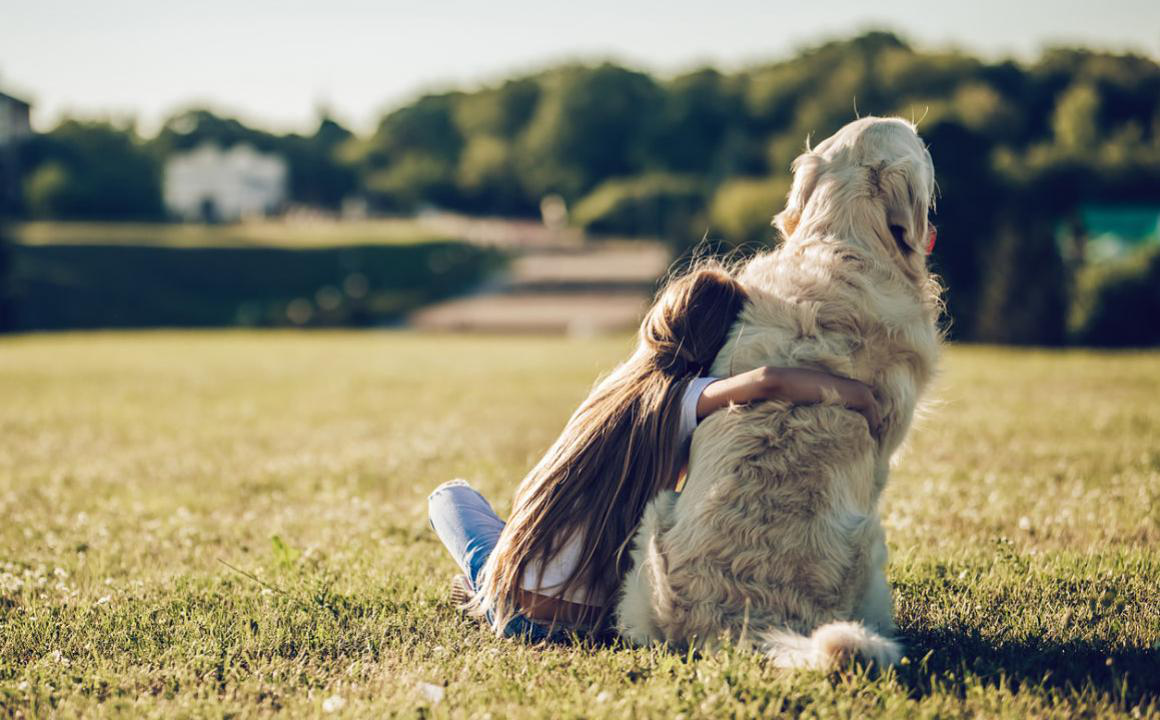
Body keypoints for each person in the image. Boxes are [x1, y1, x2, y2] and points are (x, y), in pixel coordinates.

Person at [427, 261, 882, 642]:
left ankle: (482, 589)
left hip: (516, 610)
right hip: (597, 621)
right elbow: (768, 380)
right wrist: (860, 396)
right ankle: (483, 587)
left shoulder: (615, 392)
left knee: (449, 497)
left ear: (660, 318)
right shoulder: (685, 399)